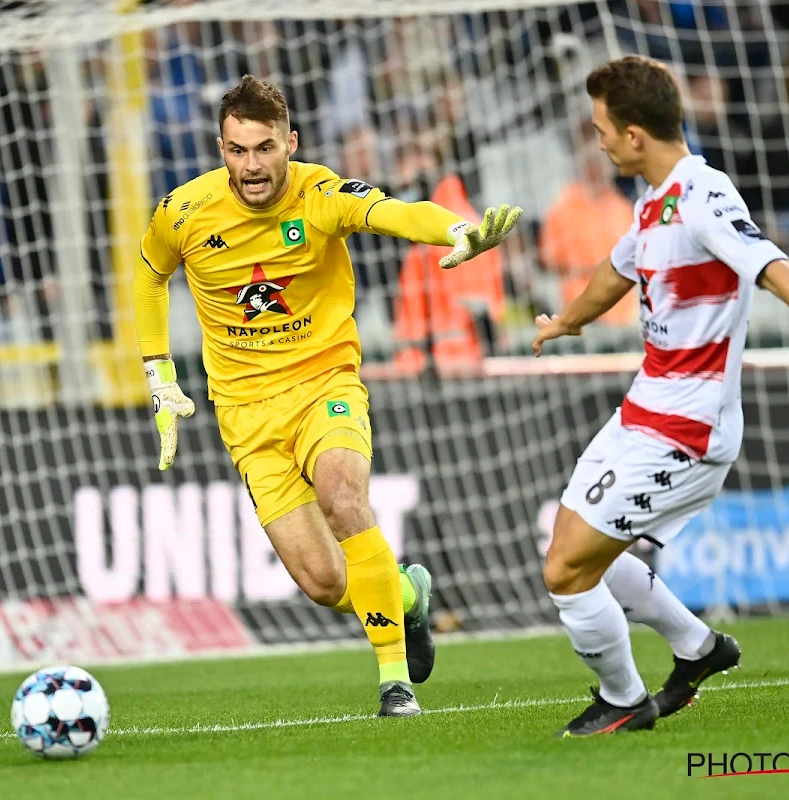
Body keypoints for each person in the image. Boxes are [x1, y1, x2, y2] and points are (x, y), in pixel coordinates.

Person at [531, 56, 789, 737]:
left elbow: (773, 266)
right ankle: (700, 648)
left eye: (600, 130)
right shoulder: (653, 200)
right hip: (642, 411)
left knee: (567, 568)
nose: (595, 142)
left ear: (633, 136)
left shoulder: (705, 196)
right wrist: (566, 322)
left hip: (688, 427)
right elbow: (616, 271)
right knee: (580, 554)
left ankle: (624, 699)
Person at [136, 75, 521, 717]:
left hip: (324, 385)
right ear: (220, 147)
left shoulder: (320, 193)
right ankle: (404, 597)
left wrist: (456, 230)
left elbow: (396, 212)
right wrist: (159, 375)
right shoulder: (183, 211)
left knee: (344, 492)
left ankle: (394, 686)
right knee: (322, 583)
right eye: (236, 150)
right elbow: (150, 278)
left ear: (290, 142)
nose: (251, 166)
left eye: (263, 149)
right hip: (247, 416)